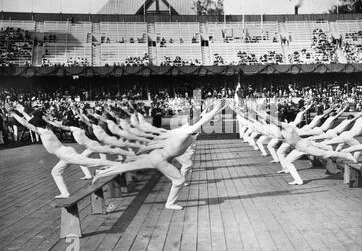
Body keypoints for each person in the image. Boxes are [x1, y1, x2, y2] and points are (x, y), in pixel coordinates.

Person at [93, 99, 227, 210]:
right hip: (160, 160)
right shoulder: (186, 132)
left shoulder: (186, 129)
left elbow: (201, 118)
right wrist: (215, 109)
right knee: (179, 180)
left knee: (127, 167)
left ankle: (99, 173)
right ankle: (169, 204)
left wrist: (211, 108)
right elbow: (202, 121)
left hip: (155, 156)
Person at [7, 103, 118, 198]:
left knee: (90, 162)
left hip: (66, 154)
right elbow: (29, 121)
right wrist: (22, 111)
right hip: (64, 154)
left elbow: (25, 122)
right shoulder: (45, 129)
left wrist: (13, 113)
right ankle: (65, 194)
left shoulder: (41, 131)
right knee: (55, 172)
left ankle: (115, 165)